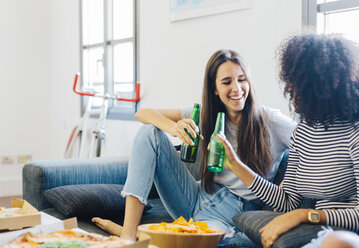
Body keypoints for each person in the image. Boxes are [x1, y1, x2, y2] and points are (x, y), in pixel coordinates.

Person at [92, 49, 296, 247]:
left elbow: (310, 144)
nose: (237, 88)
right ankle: (128, 237)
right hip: (195, 196)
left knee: (210, 243)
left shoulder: (270, 120)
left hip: (234, 213)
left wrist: (287, 183)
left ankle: (152, 236)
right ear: (214, 89)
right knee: (149, 133)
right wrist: (173, 127)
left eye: (242, 79)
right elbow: (143, 113)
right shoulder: (206, 115)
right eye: (227, 82)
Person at [216, 33, 359, 248]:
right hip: (318, 233)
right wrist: (235, 165)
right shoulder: (303, 132)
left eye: (299, 85)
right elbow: (287, 201)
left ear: (324, 88)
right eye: (291, 83)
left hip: (349, 237)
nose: (291, 92)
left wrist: (307, 215)